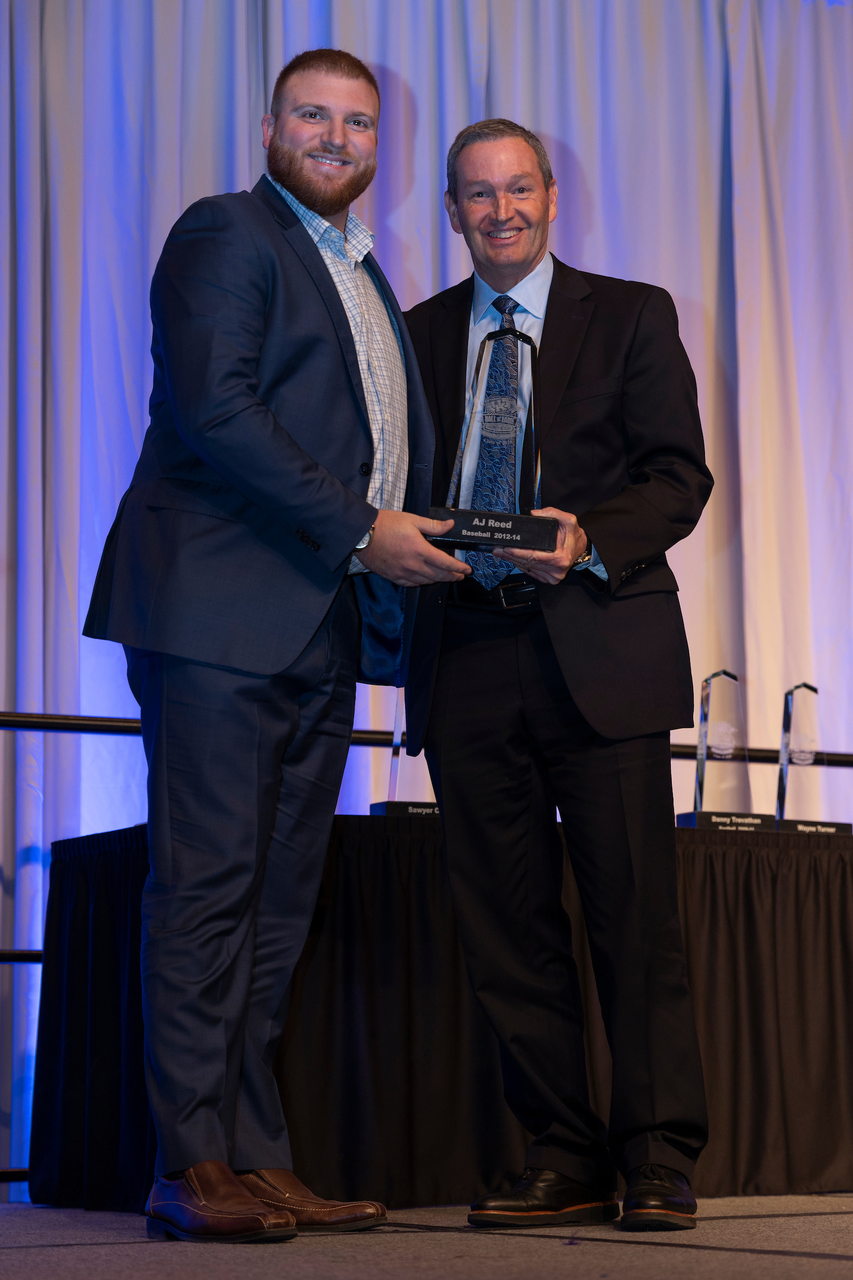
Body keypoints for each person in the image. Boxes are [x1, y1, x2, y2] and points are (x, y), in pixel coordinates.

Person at [83, 48, 466, 1245]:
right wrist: (364, 526)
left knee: (274, 905)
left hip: (313, 627)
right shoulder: (224, 234)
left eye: (357, 122)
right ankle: (188, 1159)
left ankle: (256, 1153)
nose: (336, 136)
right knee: (206, 893)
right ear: (267, 126)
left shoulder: (357, 269)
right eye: (314, 114)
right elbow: (219, 408)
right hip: (214, 620)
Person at [404, 119, 712, 1232]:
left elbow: (680, 475)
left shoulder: (631, 313)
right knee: (506, 922)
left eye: (517, 189)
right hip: (468, 651)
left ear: (549, 195)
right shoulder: (415, 334)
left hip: (600, 648)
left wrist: (587, 537)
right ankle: (560, 1150)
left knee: (636, 916)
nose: (501, 211)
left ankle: (657, 1152)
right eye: (477, 196)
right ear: (452, 212)